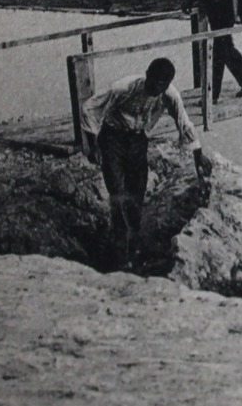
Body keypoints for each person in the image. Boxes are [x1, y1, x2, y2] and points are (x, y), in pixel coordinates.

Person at [81, 57, 212, 269]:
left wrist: (198, 154)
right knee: (116, 187)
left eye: (162, 85)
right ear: (147, 76)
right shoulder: (123, 88)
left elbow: (183, 122)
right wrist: (93, 144)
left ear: (167, 84)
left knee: (137, 190)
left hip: (137, 140)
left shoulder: (170, 95)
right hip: (113, 136)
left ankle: (135, 243)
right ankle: (119, 245)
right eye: (153, 82)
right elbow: (89, 108)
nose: (156, 88)